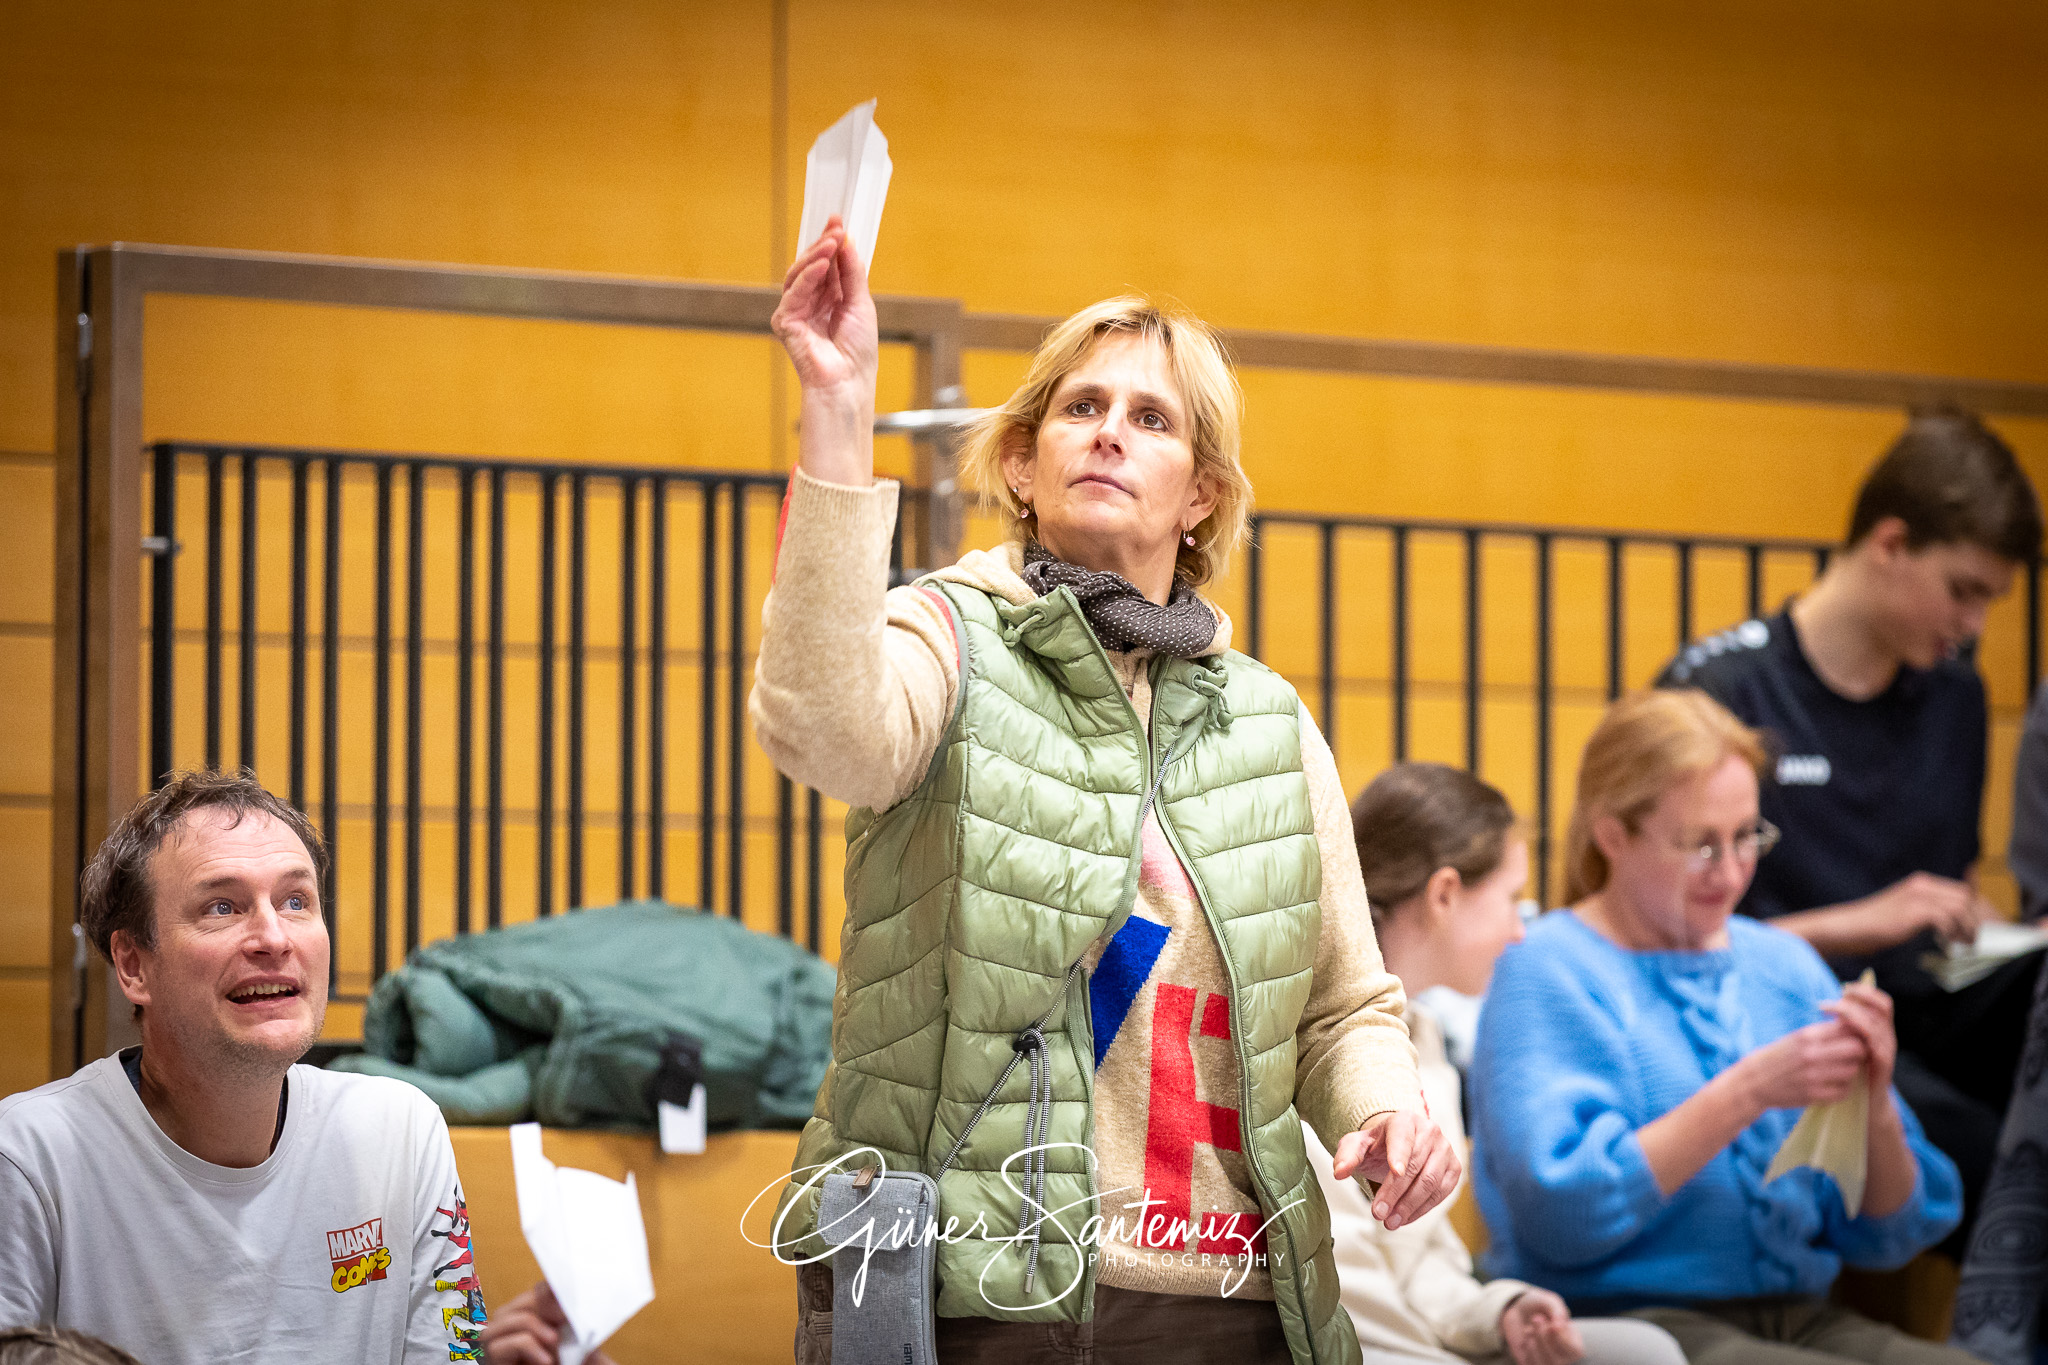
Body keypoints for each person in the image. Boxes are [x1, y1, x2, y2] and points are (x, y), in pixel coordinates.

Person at [754, 218, 1455, 1365]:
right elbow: (822, 731)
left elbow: (1342, 1008)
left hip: (1227, 1292)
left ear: (1200, 496)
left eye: (1150, 419)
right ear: (1022, 465)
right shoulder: (950, 632)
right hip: (973, 1283)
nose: (1108, 436)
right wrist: (837, 412)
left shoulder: (1268, 718)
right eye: (1079, 409)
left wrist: (1387, 1111)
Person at [1470, 690, 1968, 1365]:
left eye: (1747, 837)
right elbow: (1561, 1214)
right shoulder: (1547, 968)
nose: (1732, 871)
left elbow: (1892, 1233)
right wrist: (1748, 1090)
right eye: (1701, 845)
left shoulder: (1783, 964)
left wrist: (1873, 1102)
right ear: (1612, 833)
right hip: (1627, 1323)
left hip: (1803, 1317)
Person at [1656, 409, 2045, 1238]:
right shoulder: (1722, 689)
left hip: (1923, 1001)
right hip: (1783, 1014)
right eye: (1964, 591)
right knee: (1985, 1147)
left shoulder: (1956, 697)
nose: (1975, 624)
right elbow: (1663, 947)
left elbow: (1944, 902)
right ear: (1891, 542)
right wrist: (1866, 920)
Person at [0, 770, 489, 1364]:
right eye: (222, 907)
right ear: (133, 965)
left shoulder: (400, 1132)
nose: (273, 937)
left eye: (295, 901)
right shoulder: (28, 1161)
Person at [1304, 763, 1685, 1365]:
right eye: (1511, 901)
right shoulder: (1327, 1045)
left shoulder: (1424, 1038)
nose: (1518, 933)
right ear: (1444, 894)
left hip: (1418, 1342)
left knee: (1646, 1351)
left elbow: (1421, 1263)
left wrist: (1502, 1313)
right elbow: (1345, 1297)